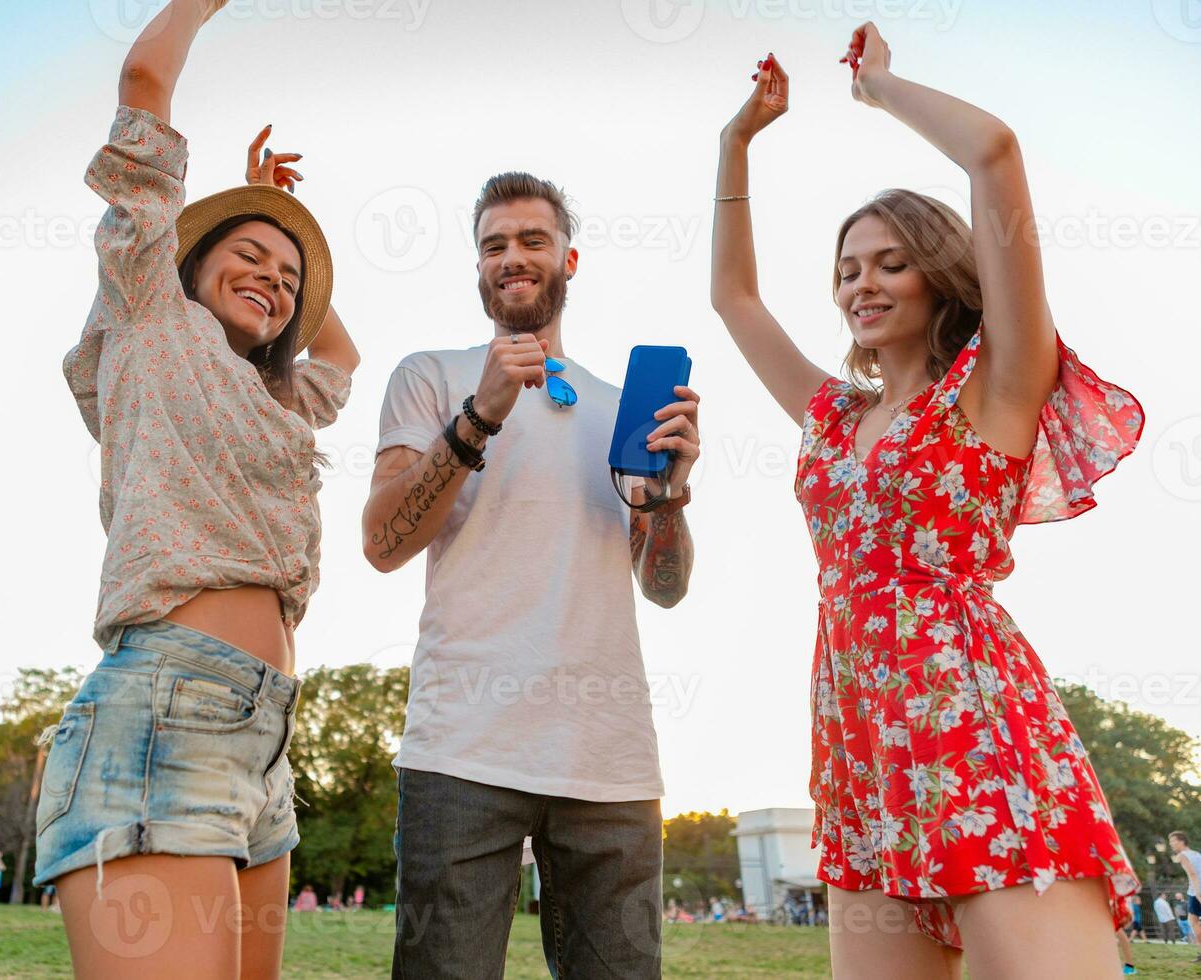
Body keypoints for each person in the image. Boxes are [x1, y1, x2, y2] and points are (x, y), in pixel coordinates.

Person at [711, 22, 1144, 979]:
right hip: (857, 740)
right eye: (848, 266)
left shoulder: (997, 385)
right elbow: (735, 299)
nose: (861, 282)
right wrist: (736, 144)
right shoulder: (833, 415)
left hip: (973, 726)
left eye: (889, 261)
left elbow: (995, 153)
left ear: (939, 273)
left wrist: (880, 90)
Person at [31, 2, 359, 976]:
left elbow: (341, 347)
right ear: (189, 260)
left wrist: (283, 218)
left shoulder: (278, 392)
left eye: (289, 277)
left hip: (268, 735)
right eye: (247, 256)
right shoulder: (148, 311)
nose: (273, 279)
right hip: (168, 704)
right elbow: (143, 90)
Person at [367, 170, 700, 978]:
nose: (510, 257)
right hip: (463, 745)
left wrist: (669, 498)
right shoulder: (430, 375)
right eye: (493, 246)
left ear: (569, 260)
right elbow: (382, 541)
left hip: (608, 756)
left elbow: (663, 587)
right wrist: (479, 413)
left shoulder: (621, 404)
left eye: (530, 241)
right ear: (478, 268)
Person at [1168, 831, 1201, 960]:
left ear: (1181, 841)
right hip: (1195, 889)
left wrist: (1198, 893)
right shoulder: (1196, 854)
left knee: (1193, 922)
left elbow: (1192, 874)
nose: (1171, 844)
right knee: (1194, 921)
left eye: (1173, 841)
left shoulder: (1182, 855)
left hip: (1196, 890)